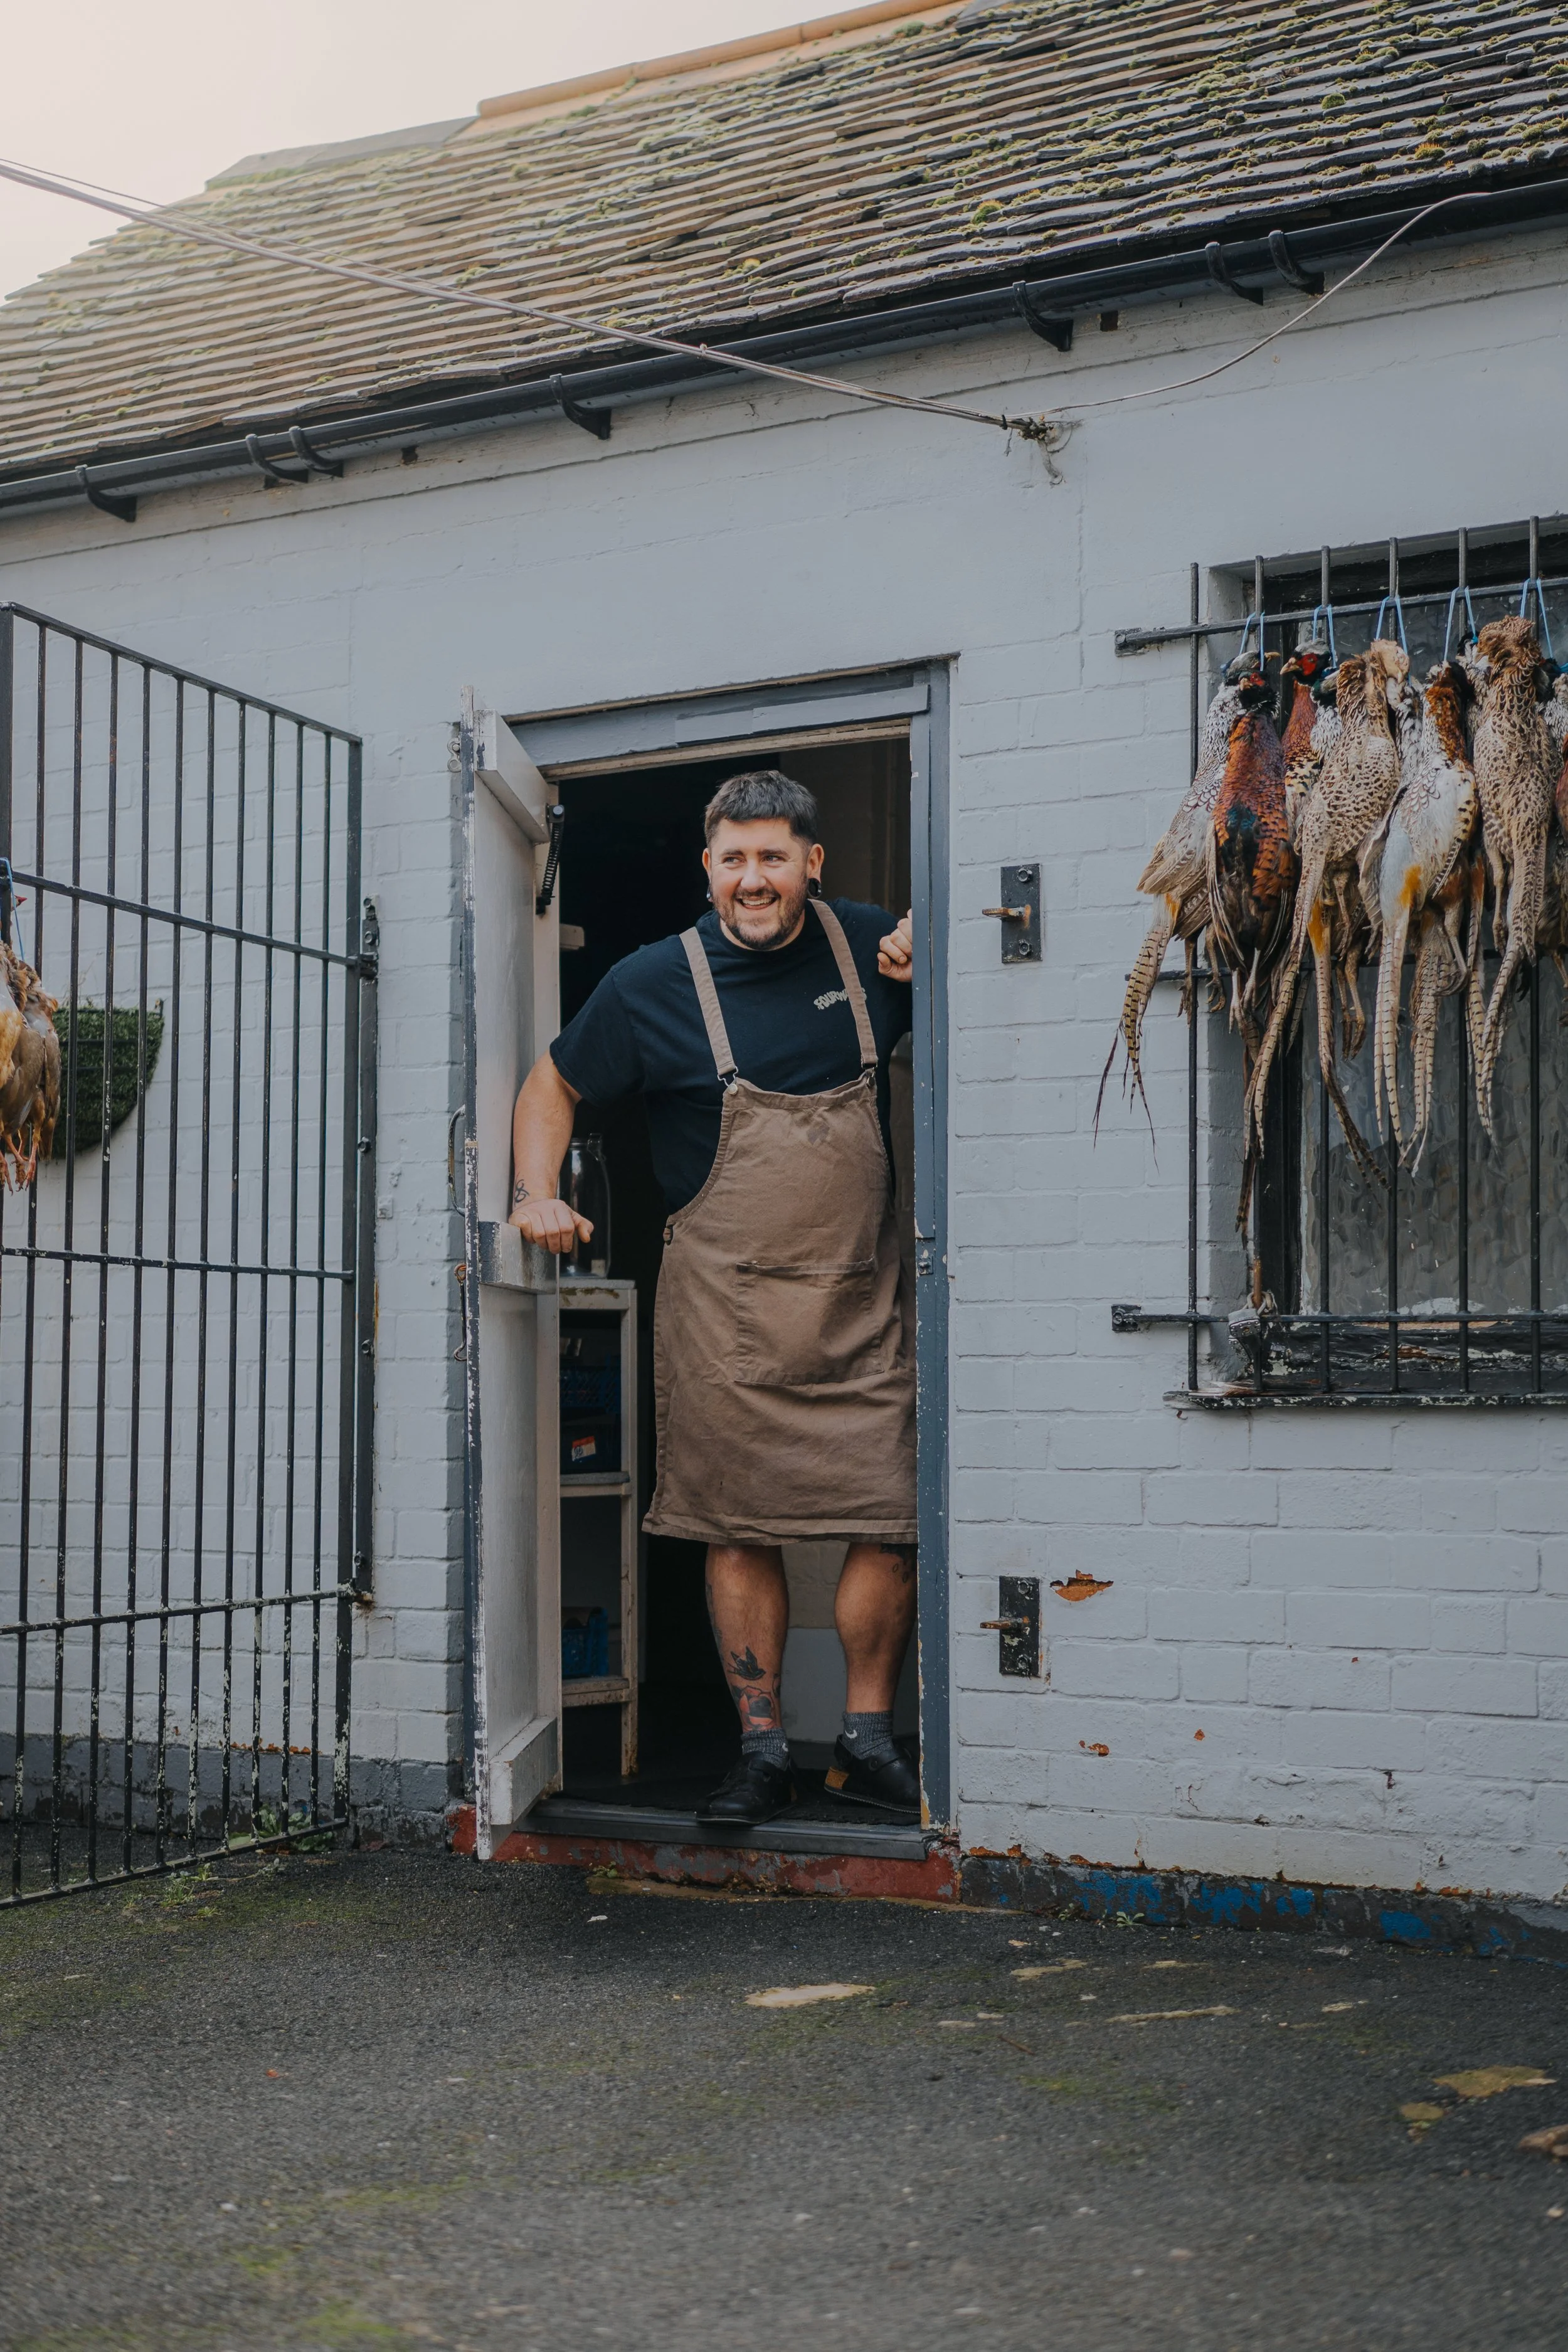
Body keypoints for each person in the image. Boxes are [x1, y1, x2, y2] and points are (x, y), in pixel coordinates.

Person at [509, 770, 919, 1827]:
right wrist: (535, 1193)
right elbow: (552, 1086)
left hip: (860, 1303)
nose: (753, 879)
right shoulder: (655, 982)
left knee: (892, 1512)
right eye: (733, 859)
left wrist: (942, 944)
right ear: (707, 867)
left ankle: (868, 1738)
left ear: (812, 865)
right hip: (725, 1316)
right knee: (737, 1527)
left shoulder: (869, 948)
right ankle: (763, 1748)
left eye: (774, 857)